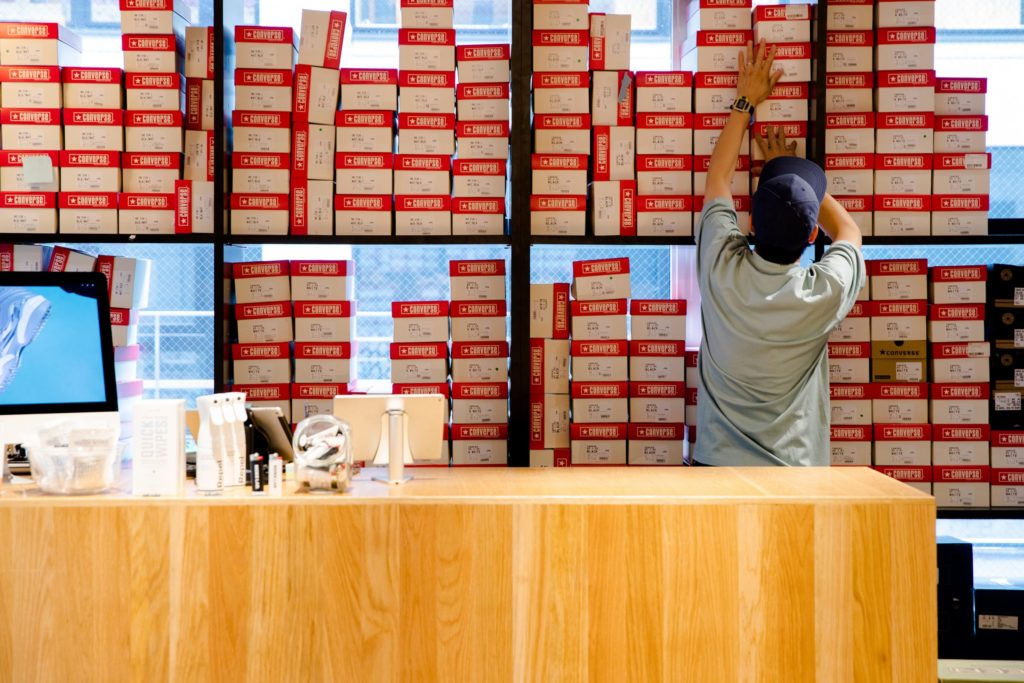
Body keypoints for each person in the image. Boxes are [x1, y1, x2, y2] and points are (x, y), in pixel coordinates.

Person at [693, 40, 866, 467]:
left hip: (716, 473)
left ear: (750, 223)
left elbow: (718, 179)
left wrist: (745, 102)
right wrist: (797, 180)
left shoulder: (720, 268)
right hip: (796, 477)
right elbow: (848, 230)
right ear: (812, 236)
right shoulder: (823, 293)